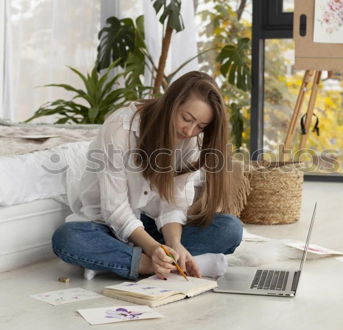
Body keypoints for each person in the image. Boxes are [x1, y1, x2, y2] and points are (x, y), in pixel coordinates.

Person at [52, 70, 243, 281]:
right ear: (171, 103)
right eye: (186, 119)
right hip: (105, 225)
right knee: (67, 239)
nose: (190, 131)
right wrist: (153, 250)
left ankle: (130, 262)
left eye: (201, 126)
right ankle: (154, 265)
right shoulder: (120, 128)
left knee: (229, 228)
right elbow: (114, 209)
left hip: (150, 224)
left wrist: (174, 244)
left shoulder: (190, 142)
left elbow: (172, 201)